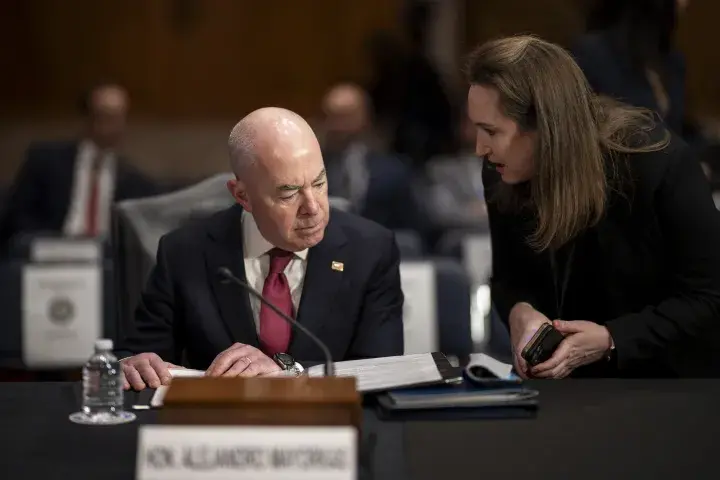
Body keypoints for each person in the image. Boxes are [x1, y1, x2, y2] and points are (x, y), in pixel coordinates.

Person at [467, 35, 720, 378]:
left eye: (491, 131)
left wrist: (612, 339)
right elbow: (508, 279)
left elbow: (708, 297)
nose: (480, 148)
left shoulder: (656, 162)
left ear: (545, 127)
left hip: (671, 382)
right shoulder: (502, 170)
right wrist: (519, 313)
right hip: (567, 387)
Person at [119, 107, 404, 390]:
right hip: (219, 426)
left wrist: (289, 372)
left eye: (319, 183)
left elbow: (380, 369)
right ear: (243, 195)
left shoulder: (370, 250)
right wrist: (136, 364)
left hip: (328, 425)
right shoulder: (183, 252)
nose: (313, 208)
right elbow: (139, 356)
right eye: (289, 193)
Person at [0, 82, 157, 250]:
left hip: (103, 259)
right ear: (88, 118)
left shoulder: (134, 180)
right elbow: (17, 216)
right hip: (53, 251)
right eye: (106, 116)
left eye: (120, 117)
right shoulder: (46, 161)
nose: (115, 126)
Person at [318, 82, 426, 236]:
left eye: (345, 116)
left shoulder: (394, 172)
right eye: (330, 116)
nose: (338, 126)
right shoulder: (310, 170)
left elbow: (413, 227)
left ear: (365, 117)